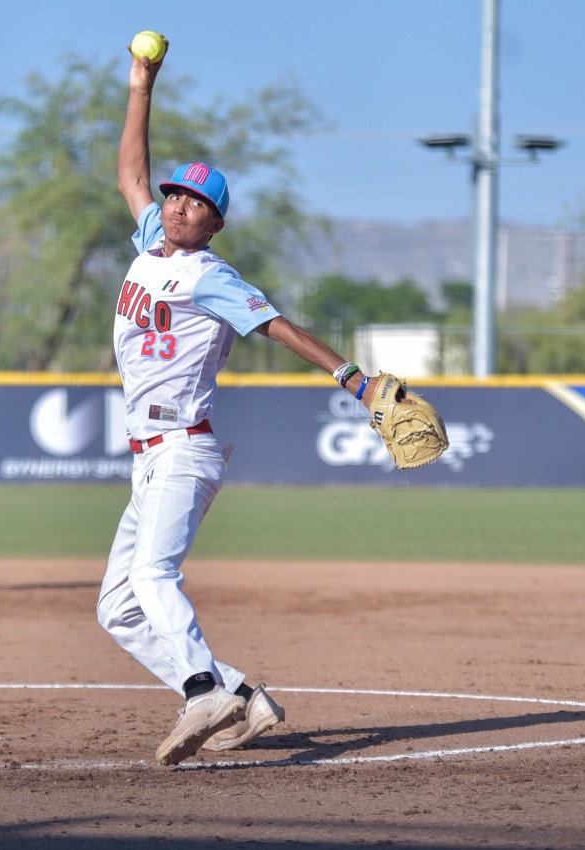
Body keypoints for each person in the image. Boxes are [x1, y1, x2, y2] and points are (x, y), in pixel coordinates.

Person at [97, 36, 384, 766]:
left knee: (154, 578)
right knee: (118, 608)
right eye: (176, 195)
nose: (178, 206)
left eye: (196, 203)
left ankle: (202, 692)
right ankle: (242, 696)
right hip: (147, 458)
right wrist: (141, 85)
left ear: (215, 223)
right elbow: (131, 171)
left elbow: (277, 325)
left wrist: (354, 379)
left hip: (182, 450)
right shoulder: (149, 246)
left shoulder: (209, 275)